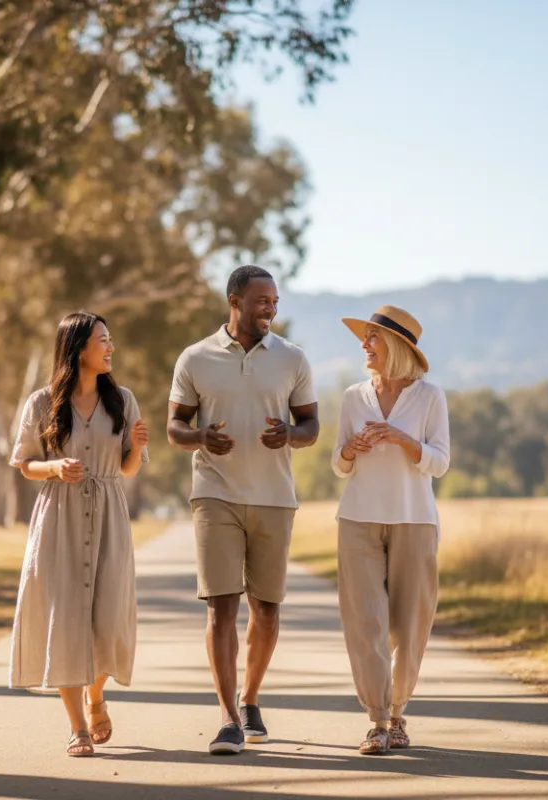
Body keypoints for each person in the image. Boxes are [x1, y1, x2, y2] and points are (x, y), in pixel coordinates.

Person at [167, 265, 319, 755]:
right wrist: (200, 437)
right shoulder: (195, 357)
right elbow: (174, 427)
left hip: (275, 497)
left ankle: (250, 697)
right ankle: (229, 718)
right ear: (234, 300)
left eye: (274, 300)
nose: (270, 308)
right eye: (261, 300)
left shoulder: (293, 358)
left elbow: (311, 425)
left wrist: (290, 436)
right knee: (221, 606)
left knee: (267, 611)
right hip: (215, 493)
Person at [8, 311, 150, 757]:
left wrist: (139, 446)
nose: (110, 348)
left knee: (110, 620)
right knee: (64, 621)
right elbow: (27, 463)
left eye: (110, 340)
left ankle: (95, 694)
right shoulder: (41, 403)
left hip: (109, 514)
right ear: (78, 348)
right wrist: (55, 467)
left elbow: (126, 469)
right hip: (59, 518)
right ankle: (78, 728)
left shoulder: (123, 401)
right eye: (103, 340)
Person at [331, 305, 450, 755]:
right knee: (366, 623)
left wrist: (402, 439)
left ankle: (398, 711)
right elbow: (338, 467)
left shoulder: (430, 397)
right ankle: (378, 720)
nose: (364, 346)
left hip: (415, 520)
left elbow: (440, 461)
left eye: (372, 339)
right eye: (364, 338)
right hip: (357, 518)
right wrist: (349, 448)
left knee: (409, 624)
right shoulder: (351, 396)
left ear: (396, 347)